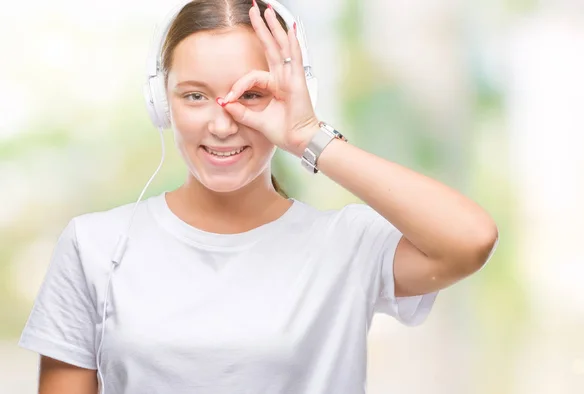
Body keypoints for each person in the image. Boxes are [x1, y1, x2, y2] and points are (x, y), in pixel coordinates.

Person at [18, 0, 499, 393]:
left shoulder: (346, 244)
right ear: (161, 102)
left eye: (250, 96)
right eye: (194, 95)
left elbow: (470, 239)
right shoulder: (96, 245)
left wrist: (309, 134)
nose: (222, 124)